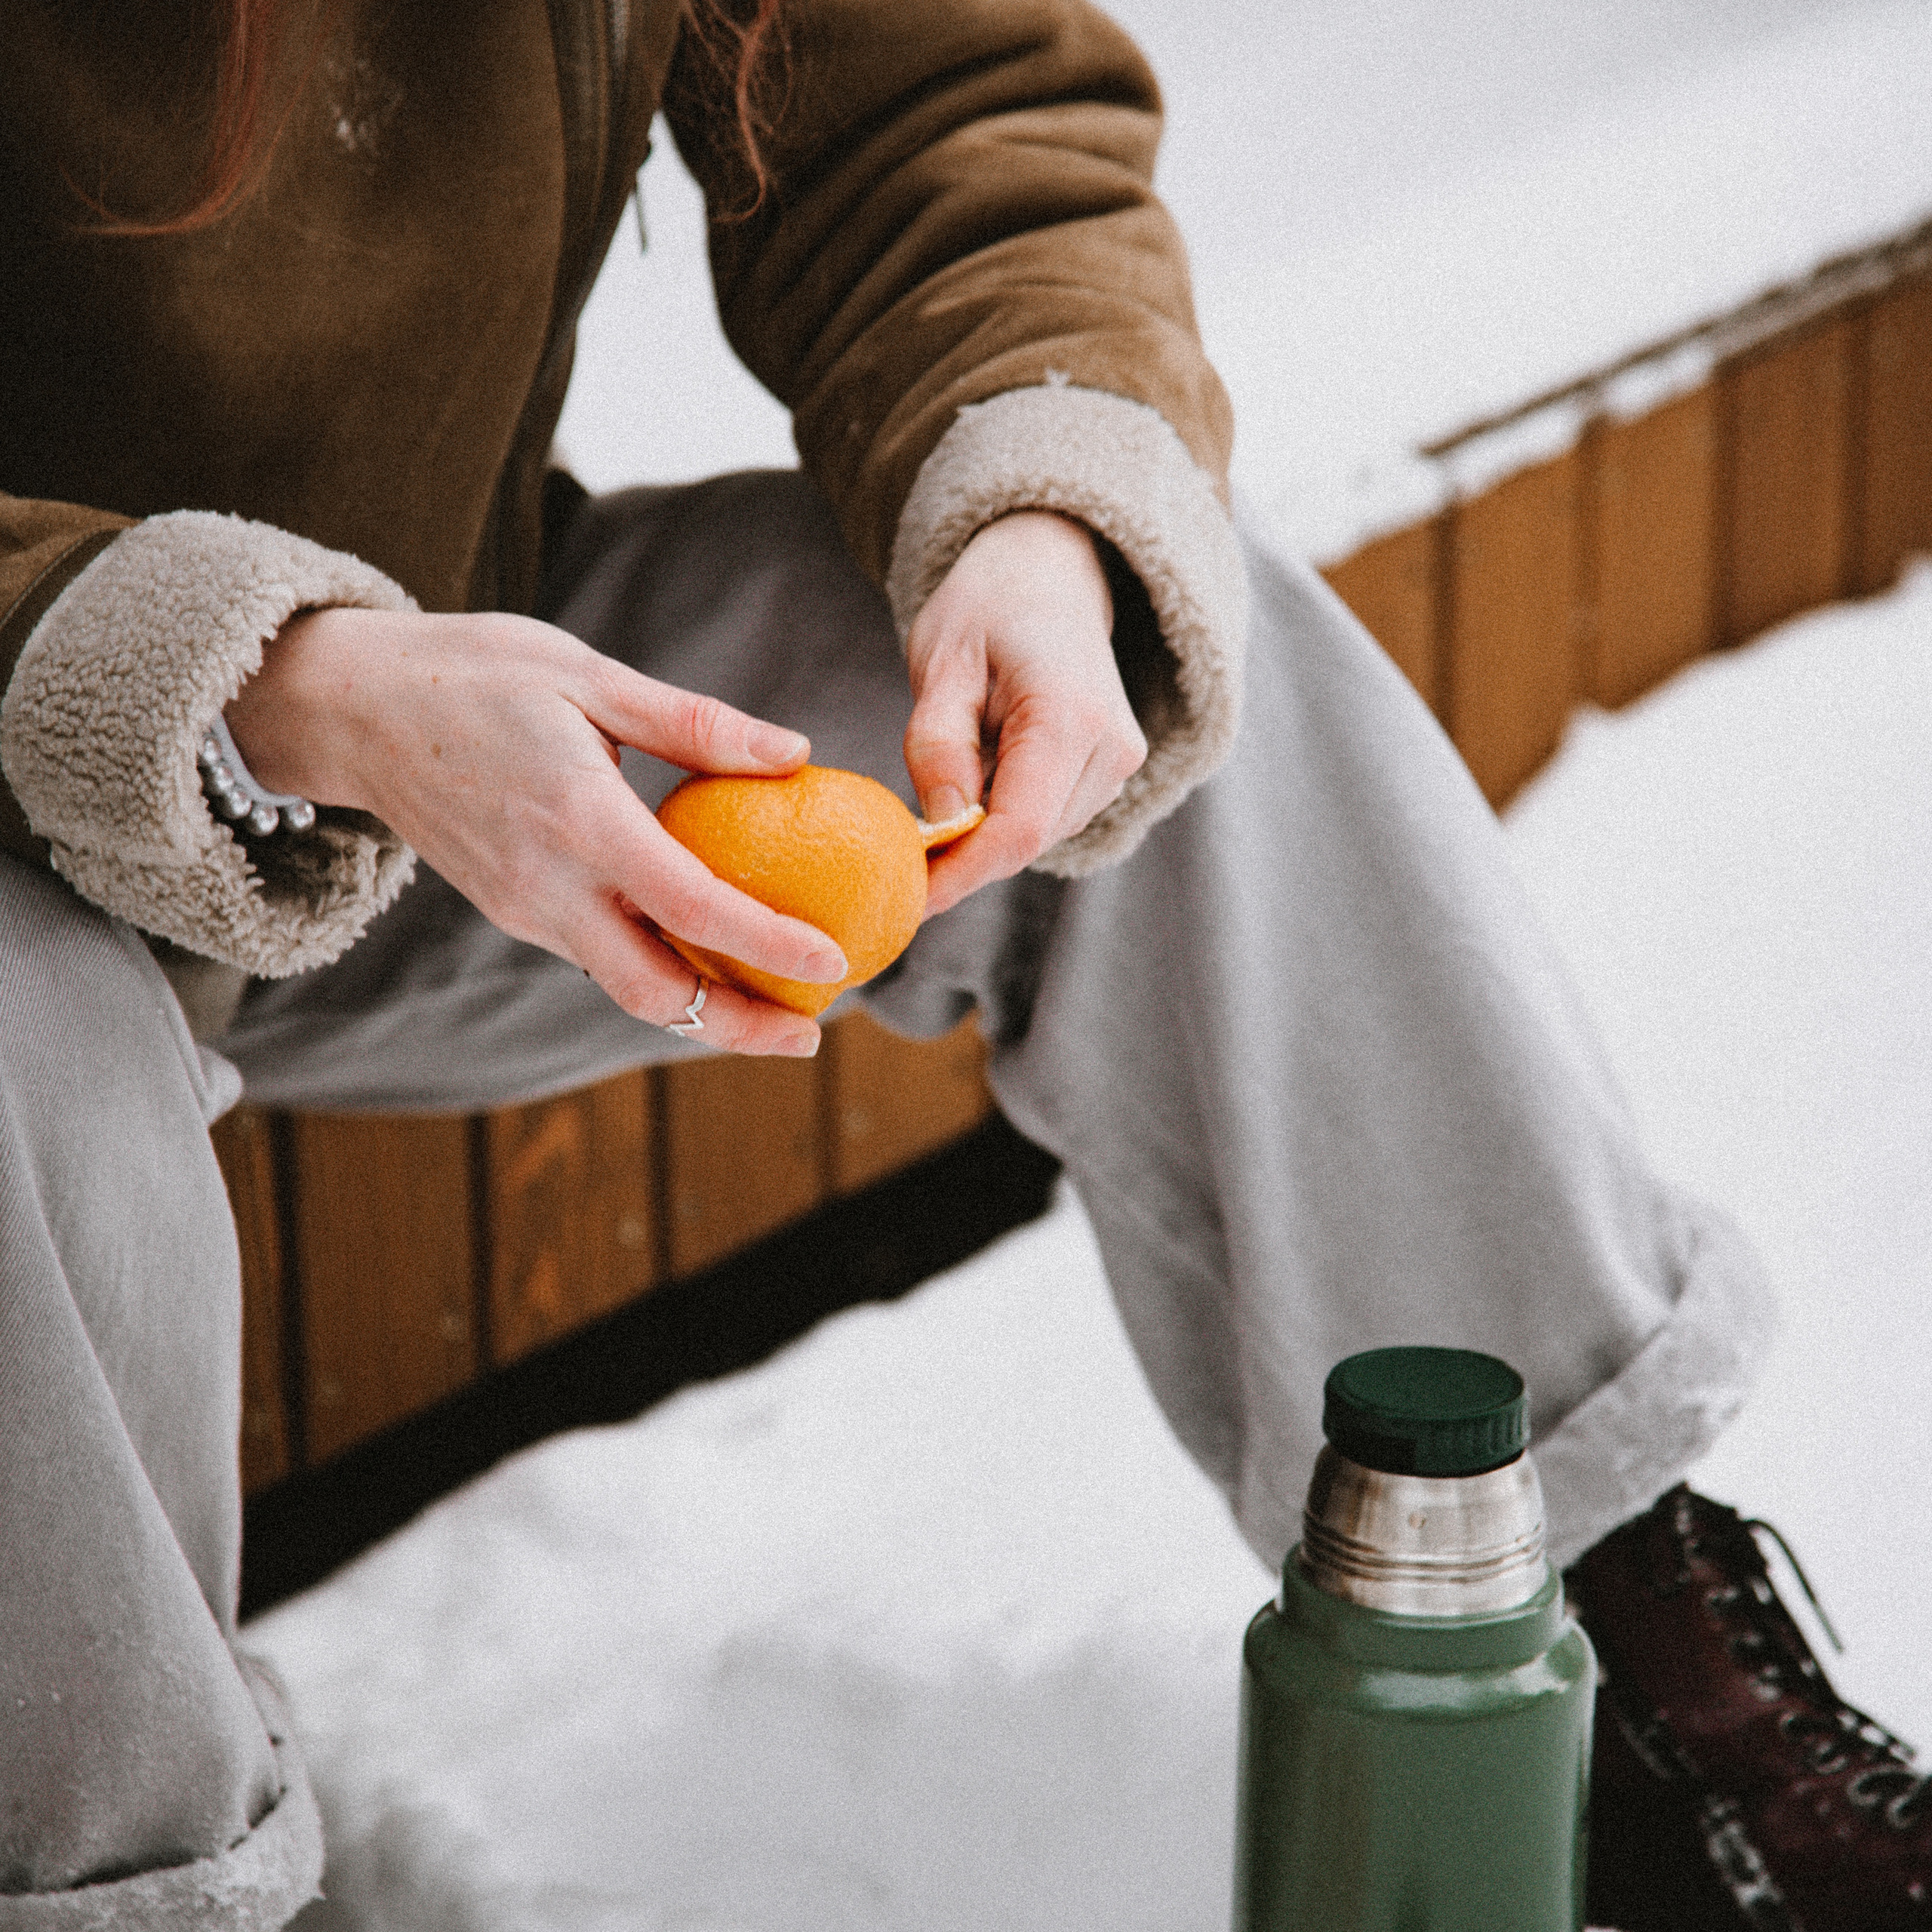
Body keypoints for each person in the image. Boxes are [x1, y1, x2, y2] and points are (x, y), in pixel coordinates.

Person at [1, 3, 1921, 1927]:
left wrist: (1035, 502)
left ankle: (1591, 1668)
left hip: (444, 733)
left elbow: (935, 105)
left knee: (1181, 661)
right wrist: (272, 682)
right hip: (55, 787)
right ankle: (151, 1897)